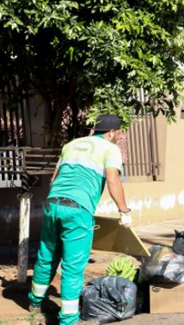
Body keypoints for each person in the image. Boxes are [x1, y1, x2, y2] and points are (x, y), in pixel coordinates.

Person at [28, 114, 132, 325]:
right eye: (119, 132)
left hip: (52, 204)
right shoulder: (110, 149)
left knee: (47, 254)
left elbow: (54, 178)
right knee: (73, 265)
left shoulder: (72, 144)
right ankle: (68, 318)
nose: (118, 136)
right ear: (112, 132)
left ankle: (35, 302)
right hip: (77, 209)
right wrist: (124, 210)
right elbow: (113, 181)